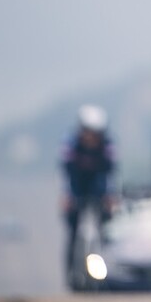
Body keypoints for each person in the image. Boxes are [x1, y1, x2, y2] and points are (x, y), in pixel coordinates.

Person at [60, 104, 116, 274]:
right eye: (87, 132)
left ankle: (105, 263)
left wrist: (109, 197)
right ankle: (72, 271)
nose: (91, 138)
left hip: (98, 188)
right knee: (73, 229)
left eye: (95, 133)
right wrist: (67, 197)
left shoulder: (107, 146)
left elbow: (110, 174)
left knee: (105, 226)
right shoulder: (71, 145)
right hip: (77, 187)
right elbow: (66, 174)